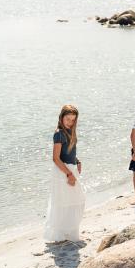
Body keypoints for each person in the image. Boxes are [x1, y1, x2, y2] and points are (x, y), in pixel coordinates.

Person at [44, 104, 85, 242]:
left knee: (75, 200)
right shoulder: (59, 133)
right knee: (63, 202)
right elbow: (56, 158)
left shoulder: (71, 131)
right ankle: (60, 235)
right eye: (68, 119)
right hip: (63, 171)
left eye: (73, 120)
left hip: (71, 168)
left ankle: (70, 232)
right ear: (61, 117)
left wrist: (77, 161)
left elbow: (68, 152)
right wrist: (69, 174)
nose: (70, 122)